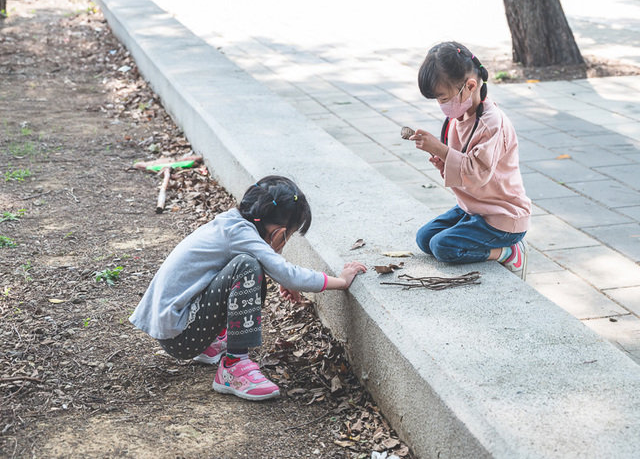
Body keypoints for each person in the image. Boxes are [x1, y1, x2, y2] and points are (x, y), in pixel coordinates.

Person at [130, 175, 366, 401]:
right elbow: (288, 273)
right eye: (289, 236)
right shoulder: (240, 234)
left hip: (174, 327)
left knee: (247, 264)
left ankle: (211, 345)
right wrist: (341, 281)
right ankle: (234, 366)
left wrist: (283, 280)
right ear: (280, 233)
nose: (286, 242)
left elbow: (277, 269)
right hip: (180, 337)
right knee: (247, 266)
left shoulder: (232, 223)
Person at [410, 41, 532, 280]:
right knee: (424, 239)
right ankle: (482, 235)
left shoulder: (491, 124)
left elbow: (477, 173)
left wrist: (442, 150)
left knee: (442, 247)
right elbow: (464, 162)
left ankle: (510, 252)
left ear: (470, 85)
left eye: (444, 98)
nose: (441, 106)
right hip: (475, 207)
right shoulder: (460, 116)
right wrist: (444, 161)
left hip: (501, 215)